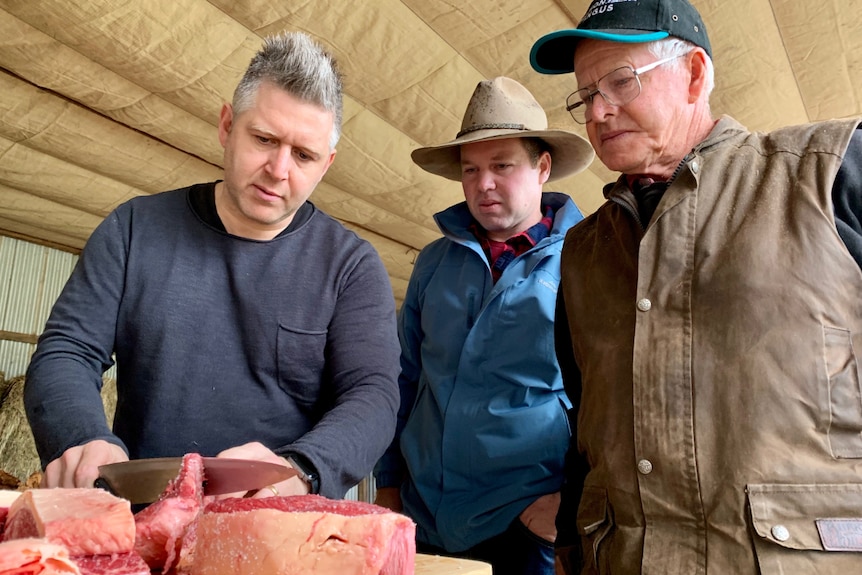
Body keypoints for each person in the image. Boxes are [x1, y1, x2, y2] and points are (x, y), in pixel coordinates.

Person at [529, 0, 862, 572]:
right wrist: (569, 545)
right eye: (585, 96)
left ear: (695, 74)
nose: (599, 112)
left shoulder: (826, 171)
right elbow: (587, 420)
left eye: (620, 81)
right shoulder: (583, 251)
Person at [24, 31, 401, 500]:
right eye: (264, 139)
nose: (279, 169)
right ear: (227, 125)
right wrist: (83, 438)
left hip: (276, 525)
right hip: (138, 516)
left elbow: (373, 394)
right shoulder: (134, 229)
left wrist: (300, 468)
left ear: (326, 164)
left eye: (303, 155)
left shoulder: (351, 266)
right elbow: (67, 350)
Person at [373, 76, 595, 575]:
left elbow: (610, 397)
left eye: (501, 166)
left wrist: (568, 501)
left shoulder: (585, 260)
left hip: (525, 521)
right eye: (470, 169)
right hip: (424, 515)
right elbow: (403, 377)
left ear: (542, 168)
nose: (483, 183)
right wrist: (389, 488)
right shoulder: (435, 261)